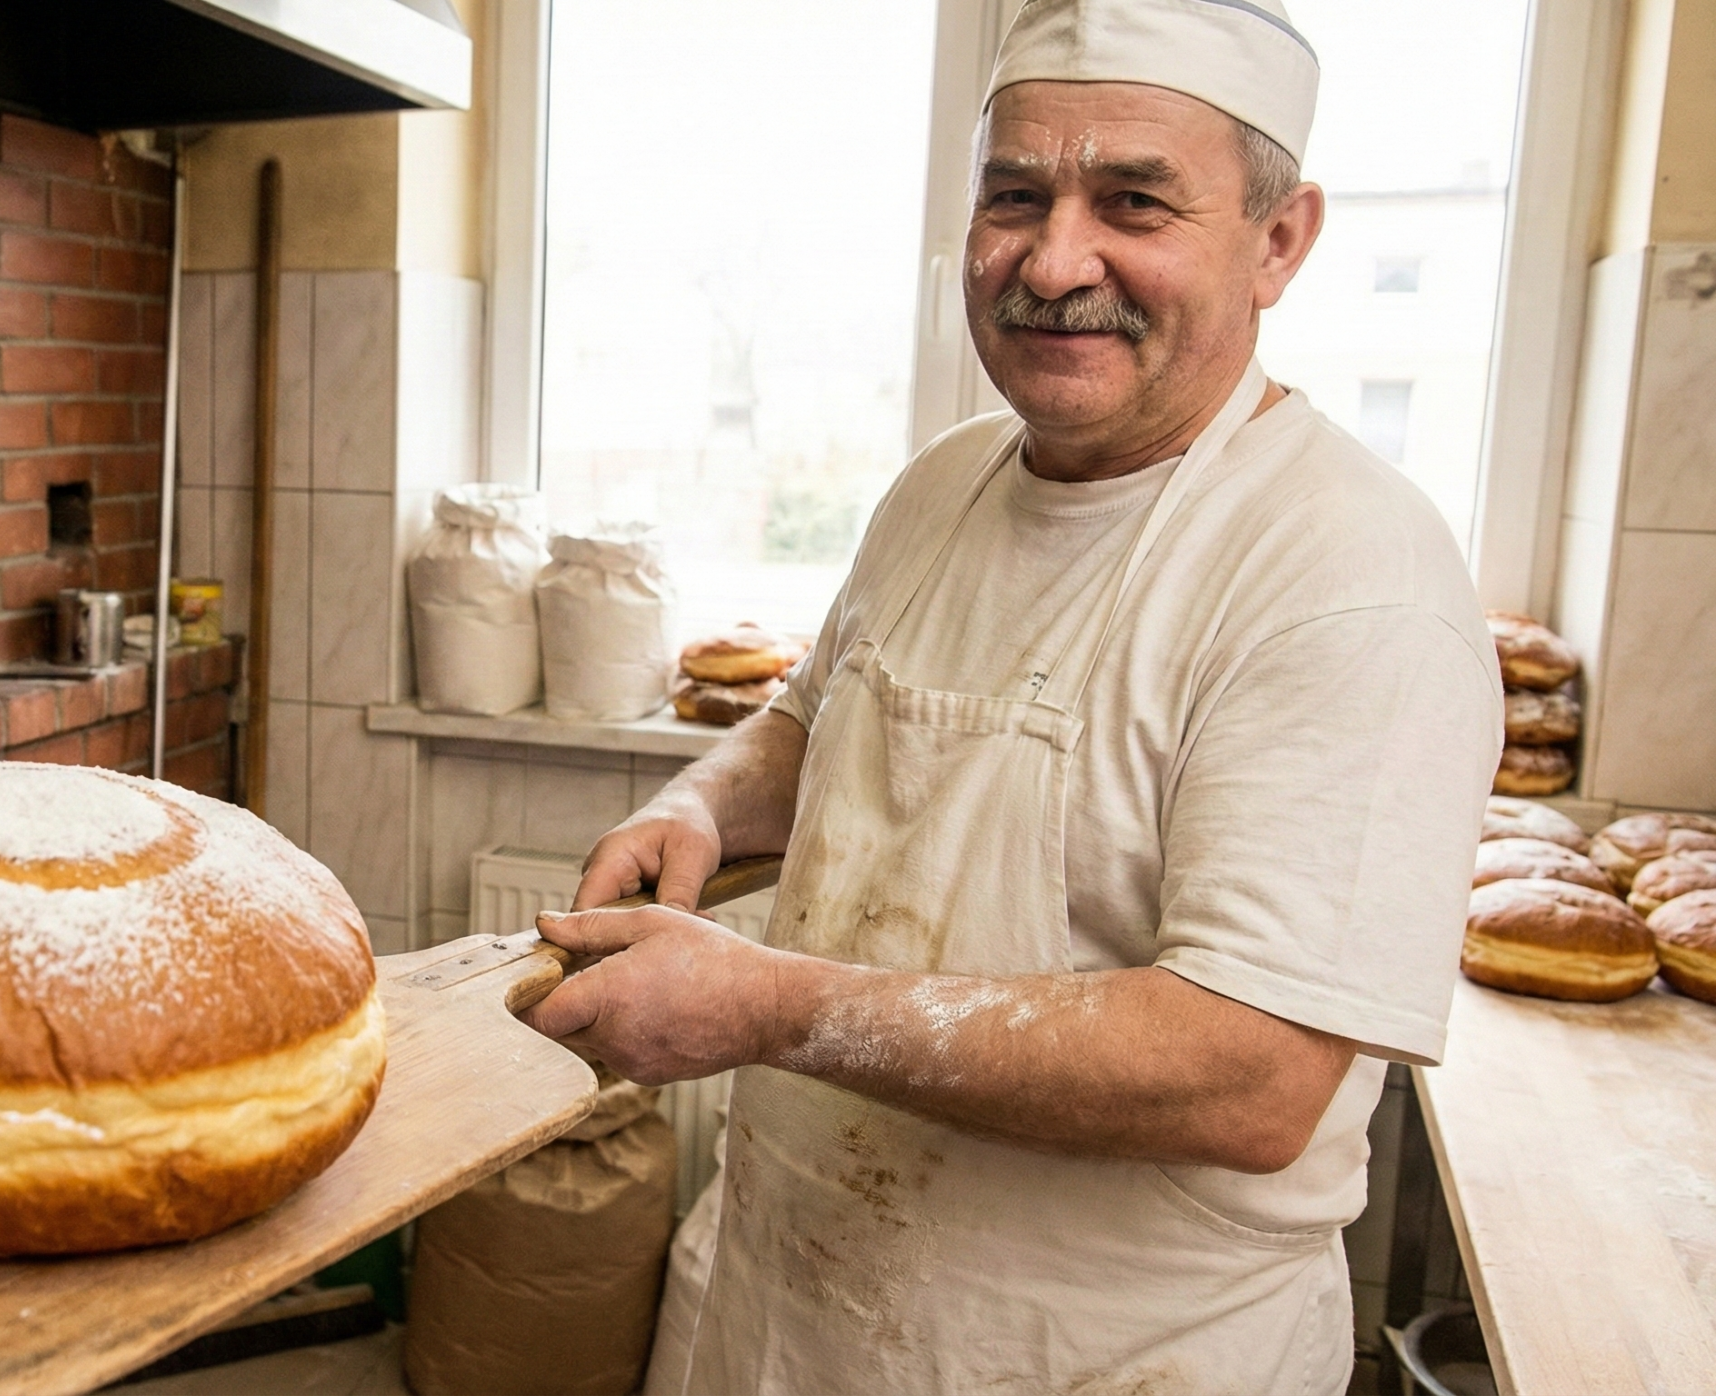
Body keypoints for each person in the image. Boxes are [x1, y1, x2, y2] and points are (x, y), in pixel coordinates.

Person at [524, 1, 1504, 1391]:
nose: (1053, 261)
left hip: (1091, 1357)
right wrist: (705, 799)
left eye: (1134, 203)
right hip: (777, 1307)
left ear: (1279, 242)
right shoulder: (942, 487)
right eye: (1015, 197)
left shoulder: (1348, 573)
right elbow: (821, 720)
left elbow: (1254, 1072)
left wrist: (769, 1010)